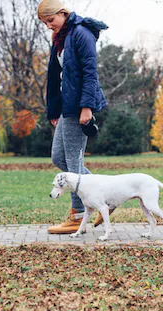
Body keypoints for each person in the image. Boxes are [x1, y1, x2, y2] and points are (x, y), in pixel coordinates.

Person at [37, 0, 108, 234]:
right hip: (66, 108)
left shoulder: (81, 33)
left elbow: (90, 72)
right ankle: (104, 199)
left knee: (74, 166)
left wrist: (86, 107)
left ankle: (78, 216)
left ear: (62, 13)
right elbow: (55, 76)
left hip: (79, 108)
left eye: (50, 20)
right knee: (59, 158)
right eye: (45, 23)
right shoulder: (61, 38)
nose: (48, 25)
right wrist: (54, 110)